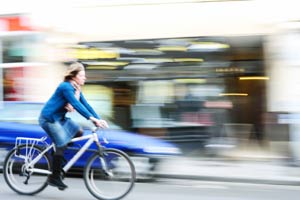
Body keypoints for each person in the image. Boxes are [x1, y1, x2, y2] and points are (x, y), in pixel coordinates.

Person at [38, 62, 108, 190]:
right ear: (74, 76)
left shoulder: (76, 89)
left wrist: (98, 119)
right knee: (62, 143)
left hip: (60, 119)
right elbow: (76, 105)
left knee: (79, 132)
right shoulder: (66, 87)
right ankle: (54, 177)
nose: (84, 78)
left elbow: (86, 105)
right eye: (82, 75)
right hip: (49, 119)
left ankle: (57, 158)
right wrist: (91, 119)